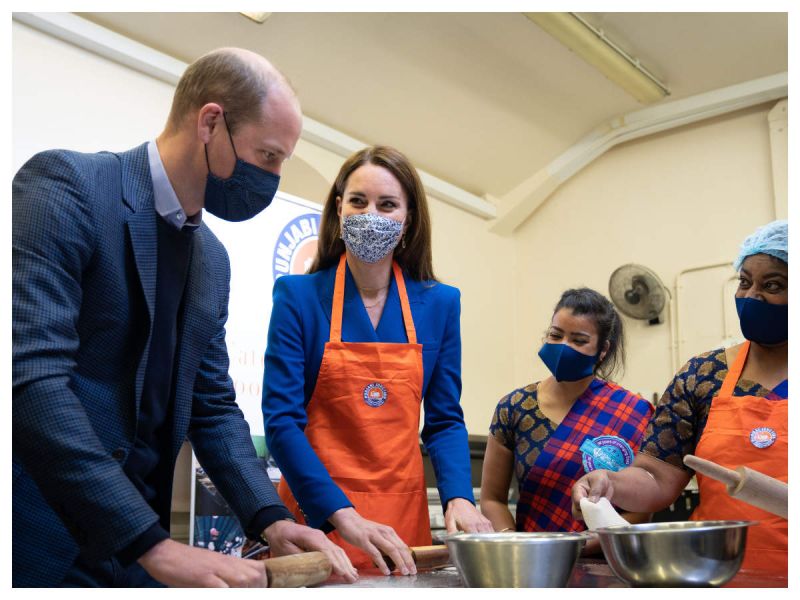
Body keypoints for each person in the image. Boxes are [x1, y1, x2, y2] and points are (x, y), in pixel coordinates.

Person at [12, 47, 355, 587]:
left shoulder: (211, 260)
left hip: (138, 557)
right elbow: (31, 380)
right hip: (45, 543)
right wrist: (151, 544)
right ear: (211, 122)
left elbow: (212, 406)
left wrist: (270, 518)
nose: (273, 176)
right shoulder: (67, 187)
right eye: (268, 156)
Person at [262, 145, 492, 574]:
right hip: (319, 520)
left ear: (408, 219)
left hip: (400, 521)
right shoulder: (298, 298)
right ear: (338, 209)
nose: (371, 214)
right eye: (358, 201)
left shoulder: (439, 304)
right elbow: (280, 422)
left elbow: (444, 420)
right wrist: (341, 515)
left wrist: (460, 495)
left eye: (387, 205)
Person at [571, 220, 788, 577]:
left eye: (773, 285)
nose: (751, 297)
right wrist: (611, 482)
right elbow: (656, 476)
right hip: (716, 576)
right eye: (745, 282)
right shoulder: (703, 375)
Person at [481, 288, 653, 551]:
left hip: (609, 561)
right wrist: (514, 544)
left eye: (579, 340)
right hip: (533, 562)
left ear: (603, 349)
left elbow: (642, 507)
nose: (563, 347)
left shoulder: (634, 411)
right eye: (556, 335)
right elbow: (493, 499)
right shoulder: (514, 408)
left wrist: (585, 545)